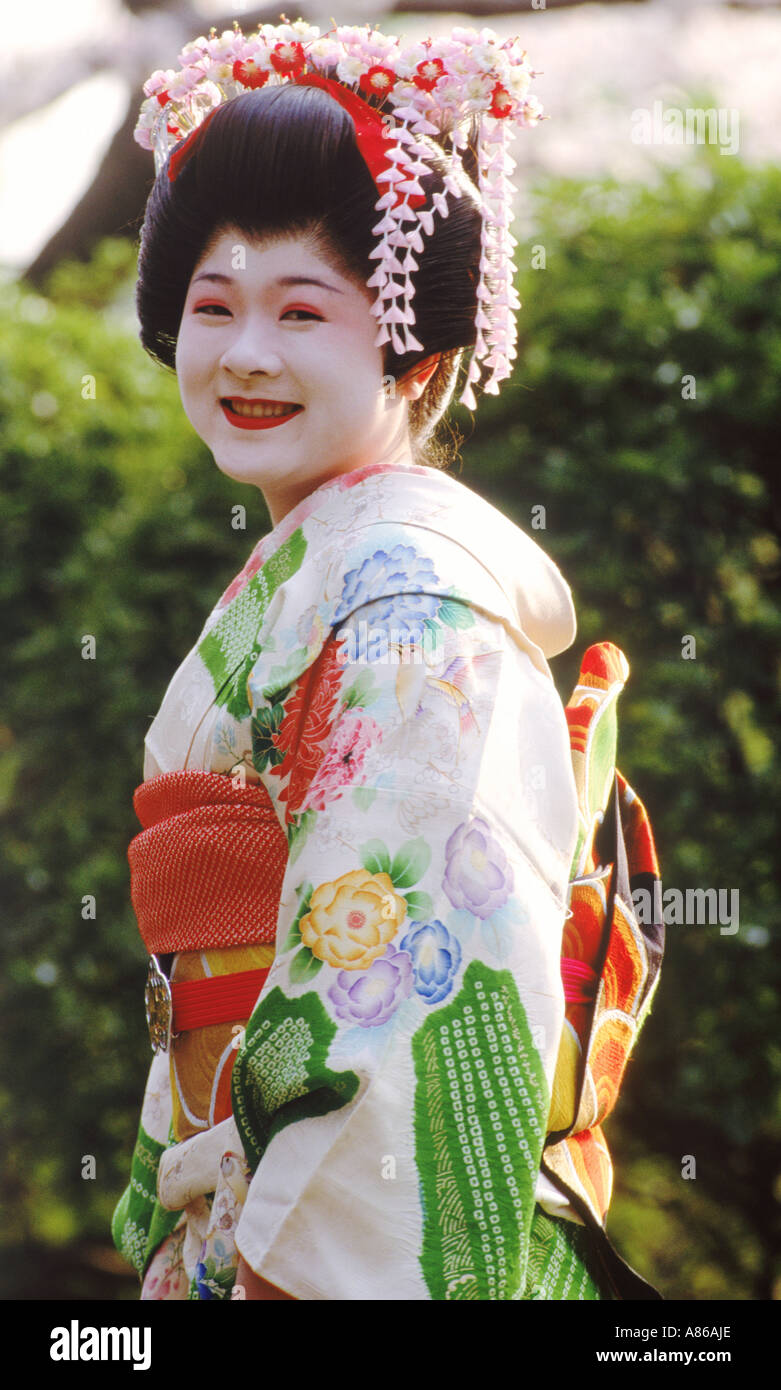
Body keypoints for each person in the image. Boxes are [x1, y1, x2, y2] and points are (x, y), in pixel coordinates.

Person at [112, 18, 619, 1302]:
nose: (244, 354)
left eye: (301, 310)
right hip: (235, 1198)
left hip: (317, 1249)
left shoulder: (410, 605)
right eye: (211, 306)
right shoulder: (323, 570)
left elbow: (394, 1002)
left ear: (419, 352)